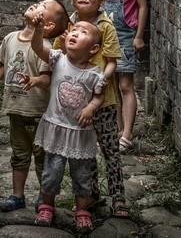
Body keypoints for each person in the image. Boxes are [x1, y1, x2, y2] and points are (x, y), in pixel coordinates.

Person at [0, 0, 69, 212]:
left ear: (48, 25)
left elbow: (46, 78)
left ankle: (44, 199)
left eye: (43, 6)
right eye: (39, 1)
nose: (36, 4)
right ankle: (17, 196)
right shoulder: (10, 38)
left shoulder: (45, 48)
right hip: (15, 109)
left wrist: (34, 81)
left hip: (38, 113)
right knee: (19, 155)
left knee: (42, 157)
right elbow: (2, 64)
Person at [54, 0, 129, 218]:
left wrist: (101, 80)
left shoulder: (105, 26)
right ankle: (91, 195)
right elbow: (58, 56)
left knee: (110, 150)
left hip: (103, 102)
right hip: (77, 101)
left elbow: (112, 61)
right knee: (85, 152)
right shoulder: (68, 25)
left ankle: (118, 198)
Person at [30, 15, 105, 234]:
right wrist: (38, 30)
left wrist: (91, 108)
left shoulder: (95, 73)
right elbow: (37, 47)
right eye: (74, 29)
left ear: (93, 48)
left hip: (80, 133)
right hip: (56, 127)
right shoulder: (58, 59)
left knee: (82, 176)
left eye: (83, 32)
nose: (75, 33)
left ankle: (82, 211)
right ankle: (46, 206)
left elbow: (99, 96)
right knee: (51, 172)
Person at [96, 0, 147, 153]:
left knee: (125, 85)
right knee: (110, 85)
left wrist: (139, 36)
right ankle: (116, 129)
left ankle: (127, 134)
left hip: (125, 35)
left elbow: (142, 6)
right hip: (103, 34)